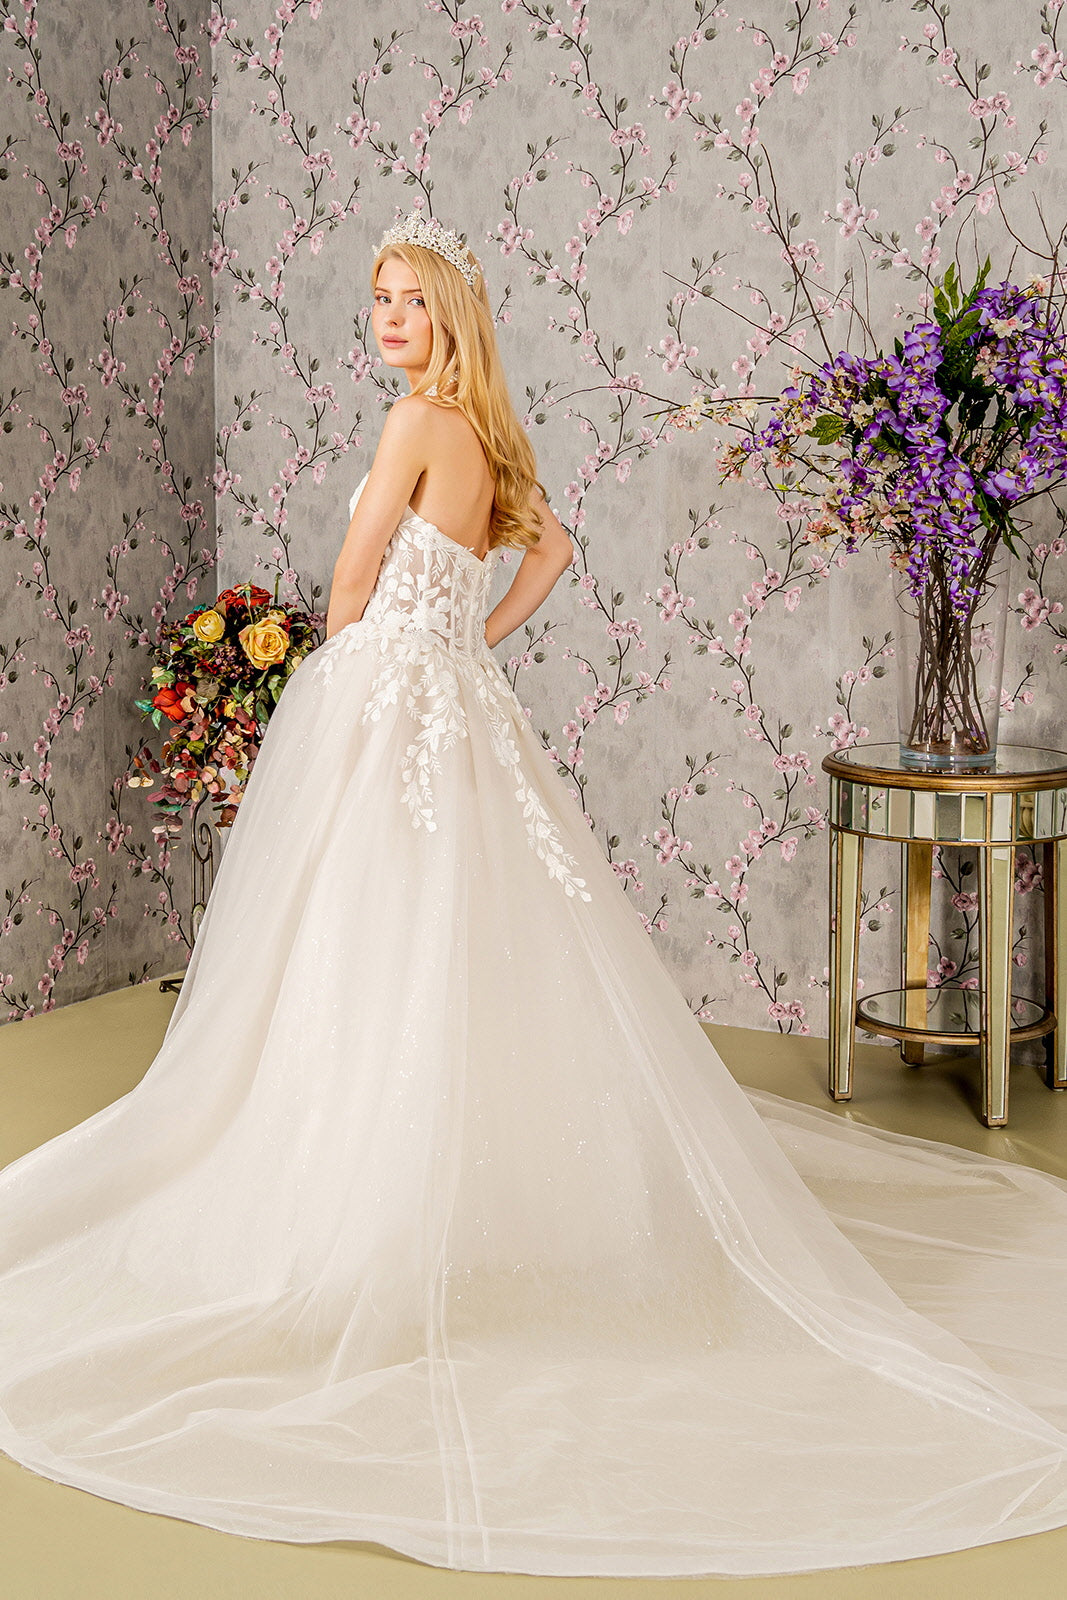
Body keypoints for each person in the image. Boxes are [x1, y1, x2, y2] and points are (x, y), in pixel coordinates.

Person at [2, 212, 1067, 1580]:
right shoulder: (490, 434)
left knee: (364, 931)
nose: (387, 321)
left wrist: (345, 677)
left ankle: (353, 1200)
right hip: (457, 704)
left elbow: (352, 576)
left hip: (389, 698)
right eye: (378, 301)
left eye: (407, 300)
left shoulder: (412, 424)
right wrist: (468, 644)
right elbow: (552, 552)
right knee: (463, 937)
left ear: (447, 313)